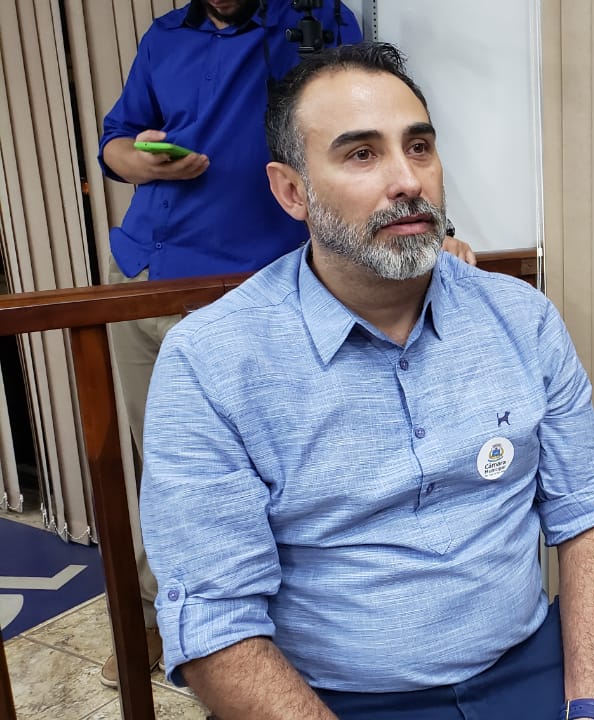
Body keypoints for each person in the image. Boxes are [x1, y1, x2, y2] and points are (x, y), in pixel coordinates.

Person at [138, 42, 594, 720]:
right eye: (361, 154)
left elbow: (587, 515)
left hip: (534, 667)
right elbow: (215, 622)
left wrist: (591, 708)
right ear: (291, 191)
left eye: (420, 147)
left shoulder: (520, 318)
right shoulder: (213, 361)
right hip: (333, 699)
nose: (407, 179)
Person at [94, 0, 363, 687]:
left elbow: (354, 131)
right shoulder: (165, 35)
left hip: (241, 286)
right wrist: (139, 163)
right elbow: (115, 141)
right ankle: (160, 617)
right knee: (162, 465)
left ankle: (260, 631)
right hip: (143, 272)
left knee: (264, 470)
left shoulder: (314, 21)